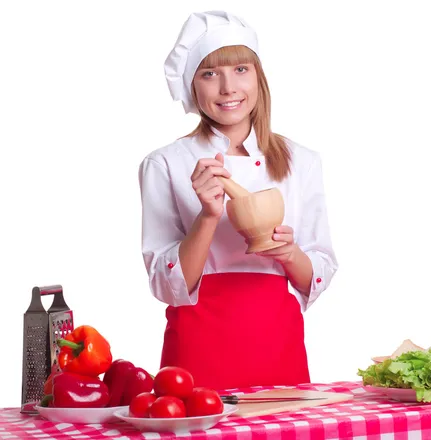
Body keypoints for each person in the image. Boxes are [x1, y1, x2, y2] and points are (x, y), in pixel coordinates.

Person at [138, 11, 338, 390]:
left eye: (241, 69)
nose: (228, 87)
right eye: (210, 74)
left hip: (279, 348)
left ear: (259, 78)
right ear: (191, 87)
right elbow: (165, 289)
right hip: (197, 358)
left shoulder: (302, 162)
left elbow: (320, 270)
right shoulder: (164, 164)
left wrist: (289, 253)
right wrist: (208, 217)